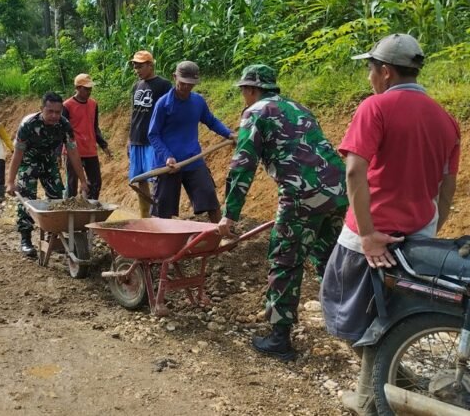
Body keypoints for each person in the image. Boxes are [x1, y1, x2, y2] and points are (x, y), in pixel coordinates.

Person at [319, 34, 460, 415]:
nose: (369, 76)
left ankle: (376, 395)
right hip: (418, 237)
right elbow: (447, 187)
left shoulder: (375, 108)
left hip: (370, 234)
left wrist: (367, 235)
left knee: (345, 308)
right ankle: (378, 389)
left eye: (370, 68)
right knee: (391, 316)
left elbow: (354, 173)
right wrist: (427, 233)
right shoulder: (446, 120)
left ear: (384, 72)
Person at [217, 64, 348, 362]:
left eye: (243, 91)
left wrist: (230, 214)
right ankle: (352, 324)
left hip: (302, 194)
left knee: (285, 260)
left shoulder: (255, 112)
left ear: (250, 90)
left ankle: (279, 339)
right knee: (328, 256)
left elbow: (242, 166)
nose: (242, 97)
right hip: (339, 190)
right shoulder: (297, 106)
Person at [148, 61, 235, 221]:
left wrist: (229, 133)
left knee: (210, 199)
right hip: (168, 166)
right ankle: (161, 243)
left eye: (190, 84)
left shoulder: (198, 101)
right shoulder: (163, 104)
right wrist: (167, 156)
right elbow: (153, 134)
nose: (186, 87)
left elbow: (211, 120)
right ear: (174, 77)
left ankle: (221, 236)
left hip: (193, 160)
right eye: (183, 83)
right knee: (163, 212)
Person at [6, 92, 89, 257]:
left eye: (58, 112)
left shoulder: (64, 125)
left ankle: (54, 235)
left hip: (49, 160)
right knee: (27, 198)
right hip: (29, 159)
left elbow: (73, 153)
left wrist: (83, 181)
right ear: (41, 109)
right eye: (50, 111)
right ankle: (26, 240)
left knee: (57, 197)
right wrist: (10, 181)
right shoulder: (28, 125)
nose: (54, 116)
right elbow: (18, 154)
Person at [129, 51, 173, 217]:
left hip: (153, 141)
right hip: (136, 139)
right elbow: (133, 114)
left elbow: (169, 112)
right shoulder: (136, 86)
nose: (137, 70)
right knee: (140, 179)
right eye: (135, 66)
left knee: (155, 179)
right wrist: (129, 139)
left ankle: (158, 214)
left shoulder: (163, 85)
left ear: (150, 65)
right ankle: (144, 215)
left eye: (140, 66)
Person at [62, 74, 112, 200]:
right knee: (71, 185)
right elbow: (61, 131)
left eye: (90, 88)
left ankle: (89, 211)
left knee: (95, 183)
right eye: (86, 89)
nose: (89, 91)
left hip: (90, 150)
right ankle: (70, 213)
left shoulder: (93, 104)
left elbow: (94, 127)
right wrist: (58, 153)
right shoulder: (67, 106)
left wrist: (103, 145)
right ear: (78, 88)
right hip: (73, 151)